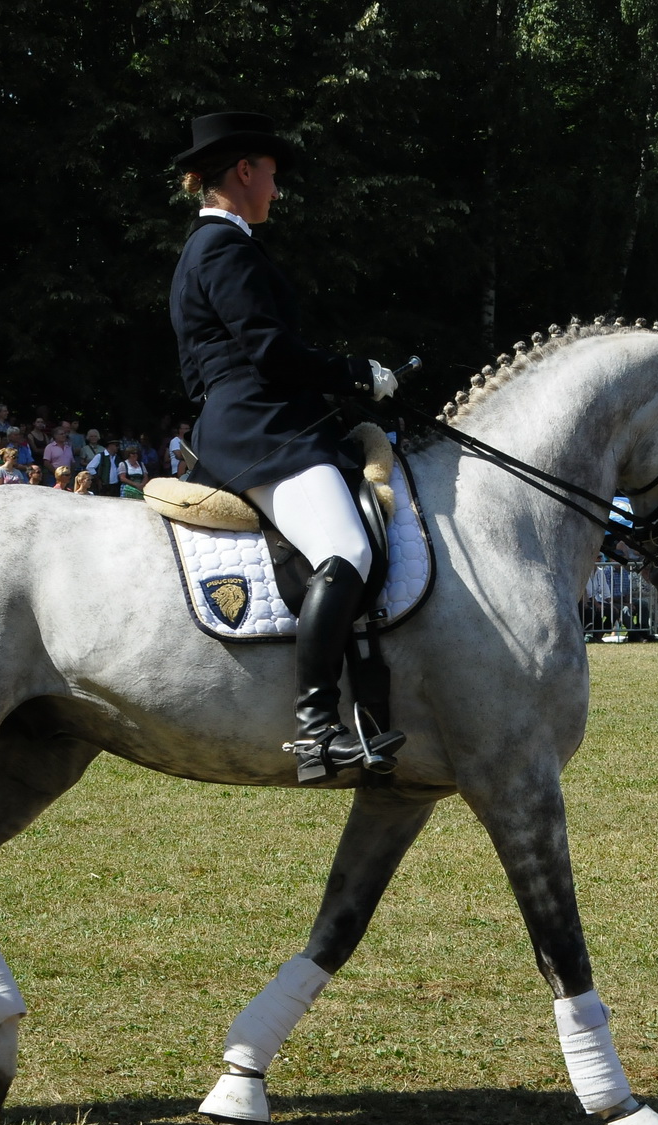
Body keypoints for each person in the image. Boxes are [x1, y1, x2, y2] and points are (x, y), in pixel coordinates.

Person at [171, 111, 404, 780]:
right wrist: (351, 372)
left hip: (264, 416)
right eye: (271, 173)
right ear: (244, 170)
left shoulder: (225, 248)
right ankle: (314, 731)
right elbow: (269, 351)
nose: (277, 187)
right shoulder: (221, 248)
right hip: (259, 425)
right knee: (347, 547)